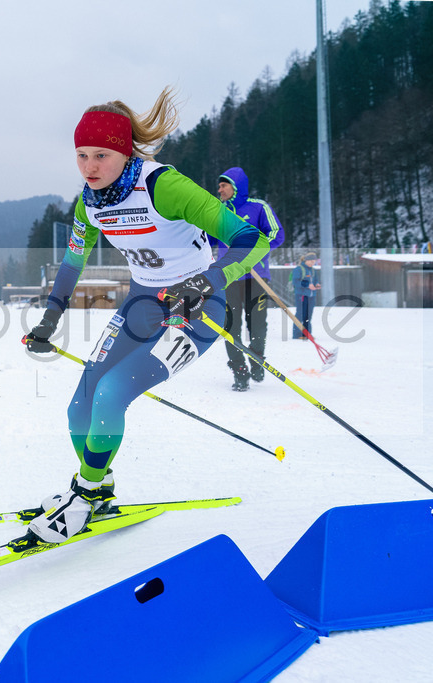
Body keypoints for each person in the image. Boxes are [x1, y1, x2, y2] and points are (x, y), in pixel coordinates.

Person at [18, 88, 271, 548]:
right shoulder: (90, 202)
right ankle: (99, 488)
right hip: (141, 302)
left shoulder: (163, 186)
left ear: (125, 152)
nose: (90, 167)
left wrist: (207, 281)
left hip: (195, 307)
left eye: (101, 155)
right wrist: (51, 316)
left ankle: (84, 494)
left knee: (112, 392)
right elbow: (74, 260)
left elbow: (251, 239)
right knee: (80, 406)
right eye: (81, 156)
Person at [213, 167, 285, 390]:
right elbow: (207, 239)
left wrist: (252, 251)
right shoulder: (218, 211)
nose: (219, 190)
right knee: (230, 326)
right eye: (219, 186)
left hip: (256, 277)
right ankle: (239, 370)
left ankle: (256, 360)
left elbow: (276, 234)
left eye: (223, 185)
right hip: (228, 277)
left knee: (257, 324)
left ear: (235, 186)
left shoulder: (259, 207)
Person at [292, 252, 320, 339]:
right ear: (306, 260)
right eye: (311, 261)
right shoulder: (298, 269)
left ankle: (307, 333)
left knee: (309, 314)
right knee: (300, 314)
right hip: (302, 295)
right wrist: (307, 285)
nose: (312, 263)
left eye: (314, 261)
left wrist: (317, 284)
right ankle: (297, 334)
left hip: (311, 295)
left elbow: (315, 280)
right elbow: (295, 282)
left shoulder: (313, 270)